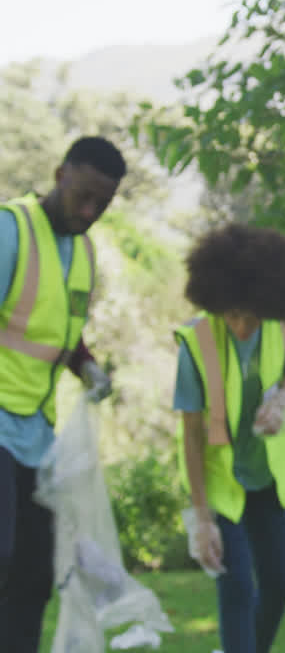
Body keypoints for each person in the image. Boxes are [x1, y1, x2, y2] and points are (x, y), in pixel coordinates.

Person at [0, 136, 123, 652]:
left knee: (33, 574)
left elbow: (60, 334)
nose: (90, 210)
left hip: (38, 435)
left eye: (103, 203)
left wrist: (89, 367)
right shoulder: (11, 230)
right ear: (59, 175)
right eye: (84, 196)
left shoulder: (84, 251)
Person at [174, 223, 285, 653]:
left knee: (280, 585)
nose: (243, 326)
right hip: (221, 485)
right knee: (236, 592)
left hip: (266, 476)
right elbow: (191, 434)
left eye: (251, 315)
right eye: (232, 315)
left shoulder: (283, 322)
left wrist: (282, 399)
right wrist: (201, 518)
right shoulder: (196, 343)